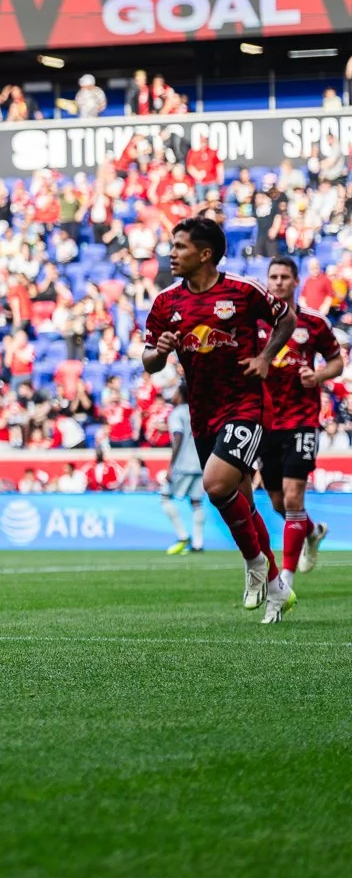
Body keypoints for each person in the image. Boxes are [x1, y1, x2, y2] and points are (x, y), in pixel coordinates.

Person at [141, 217, 297, 620]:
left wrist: (265, 357)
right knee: (240, 498)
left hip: (247, 405)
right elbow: (150, 363)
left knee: (214, 484)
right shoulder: (166, 304)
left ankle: (255, 565)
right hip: (203, 414)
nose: (171, 254)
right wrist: (160, 351)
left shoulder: (243, 291)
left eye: (180, 247)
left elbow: (287, 319)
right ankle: (278, 588)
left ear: (205, 254)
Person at [260, 256, 343, 602]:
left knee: (293, 498)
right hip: (264, 422)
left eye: (284, 277)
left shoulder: (313, 322)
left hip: (302, 419)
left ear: (296, 282)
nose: (278, 282)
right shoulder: (255, 322)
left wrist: (319, 375)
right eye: (273, 277)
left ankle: (284, 586)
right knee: (279, 502)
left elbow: (337, 361)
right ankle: (311, 531)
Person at [159, 392, 205, 555]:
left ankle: (182, 536)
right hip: (200, 463)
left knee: (164, 498)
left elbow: (177, 437)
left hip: (183, 465)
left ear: (181, 394)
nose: (172, 396)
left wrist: (171, 466)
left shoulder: (177, 413)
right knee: (196, 502)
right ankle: (198, 544)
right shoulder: (198, 410)